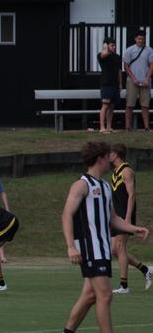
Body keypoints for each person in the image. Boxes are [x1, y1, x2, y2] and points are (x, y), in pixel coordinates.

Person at [61, 141, 149, 333]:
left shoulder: (106, 187)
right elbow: (66, 214)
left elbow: (113, 219)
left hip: (102, 249)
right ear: (100, 159)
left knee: (90, 296)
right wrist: (70, 246)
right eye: (107, 156)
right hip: (89, 248)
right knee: (105, 295)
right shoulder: (81, 185)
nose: (110, 160)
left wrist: (134, 229)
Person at [108, 143, 152, 293]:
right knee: (114, 250)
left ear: (117, 154)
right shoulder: (115, 172)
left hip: (125, 214)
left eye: (110, 152)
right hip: (116, 215)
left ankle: (124, 286)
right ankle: (146, 269)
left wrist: (127, 218)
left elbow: (132, 195)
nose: (108, 155)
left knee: (120, 248)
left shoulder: (127, 171)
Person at [123, 30, 153, 131]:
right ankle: (128, 126)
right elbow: (126, 66)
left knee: (145, 105)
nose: (141, 40)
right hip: (132, 81)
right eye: (139, 38)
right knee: (129, 104)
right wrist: (133, 79)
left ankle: (146, 126)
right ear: (135, 39)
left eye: (143, 38)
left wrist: (147, 79)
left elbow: (151, 66)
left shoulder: (149, 50)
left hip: (145, 80)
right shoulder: (129, 50)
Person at [97, 37, 122, 133]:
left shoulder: (117, 56)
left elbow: (119, 71)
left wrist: (120, 84)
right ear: (106, 45)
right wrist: (105, 47)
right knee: (105, 105)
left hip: (115, 84)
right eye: (112, 45)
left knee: (112, 106)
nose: (114, 47)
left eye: (114, 45)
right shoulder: (101, 55)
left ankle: (109, 126)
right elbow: (104, 54)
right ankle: (102, 127)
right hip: (106, 83)